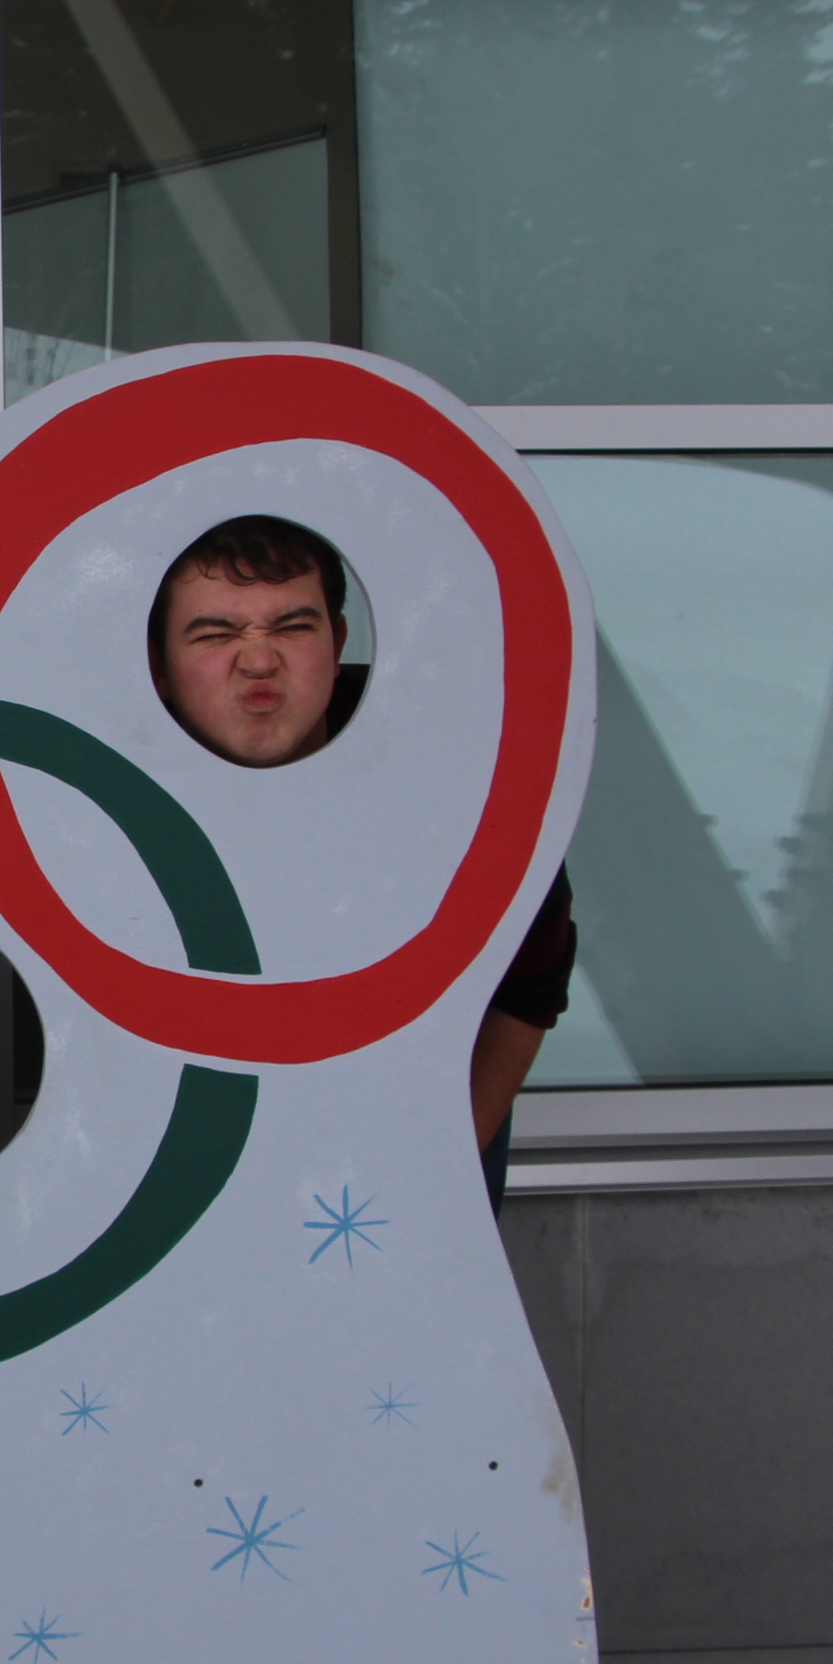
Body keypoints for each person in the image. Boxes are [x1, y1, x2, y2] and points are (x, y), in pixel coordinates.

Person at [147, 514, 576, 1209]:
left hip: (418, 1123)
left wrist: (438, 1174)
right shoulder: (108, 796)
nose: (258, 660)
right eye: (216, 634)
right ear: (158, 669)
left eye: (293, 627)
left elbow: (529, 984)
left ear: (339, 641)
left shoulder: (443, 770)